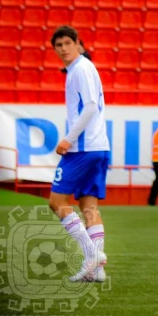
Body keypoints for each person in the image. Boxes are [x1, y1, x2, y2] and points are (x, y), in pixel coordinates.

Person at [48, 26, 110, 283]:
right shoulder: (81, 69)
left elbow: (91, 107)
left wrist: (68, 138)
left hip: (83, 148)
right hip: (98, 147)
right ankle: (96, 271)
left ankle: (91, 255)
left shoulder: (80, 69)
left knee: (56, 202)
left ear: (78, 44)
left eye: (67, 43)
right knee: (88, 206)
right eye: (58, 45)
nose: (63, 49)